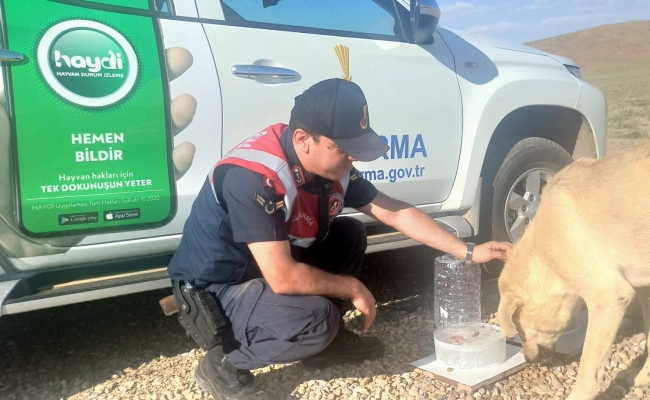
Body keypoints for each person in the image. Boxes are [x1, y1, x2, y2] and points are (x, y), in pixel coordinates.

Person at [167, 78, 512, 400]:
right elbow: (283, 277)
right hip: (218, 292)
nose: (354, 157)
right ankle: (223, 363)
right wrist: (353, 288)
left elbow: (392, 210)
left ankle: (323, 346)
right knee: (317, 319)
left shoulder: (331, 166)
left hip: (262, 273)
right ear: (304, 139)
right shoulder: (254, 177)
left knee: (350, 233)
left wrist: (468, 250)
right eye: (343, 148)